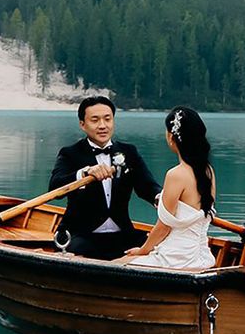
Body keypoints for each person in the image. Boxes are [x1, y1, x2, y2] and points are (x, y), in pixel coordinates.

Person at [49, 95, 163, 259]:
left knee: (160, 246)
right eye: (95, 120)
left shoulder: (129, 152)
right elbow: (55, 188)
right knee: (81, 252)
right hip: (80, 235)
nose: (102, 125)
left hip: (122, 234)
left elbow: (147, 186)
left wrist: (161, 199)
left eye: (107, 119)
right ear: (82, 124)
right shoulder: (70, 153)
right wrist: (84, 173)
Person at [120, 107, 217, 271]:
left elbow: (164, 227)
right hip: (202, 257)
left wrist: (142, 251)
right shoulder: (208, 171)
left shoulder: (176, 175)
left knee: (119, 262)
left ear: (171, 137)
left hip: (176, 259)